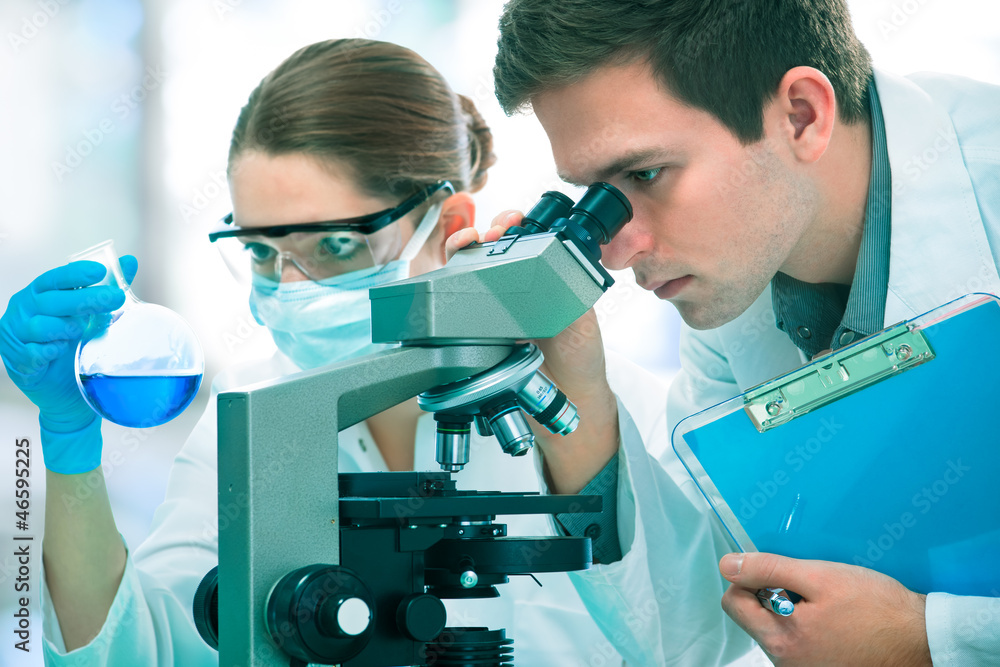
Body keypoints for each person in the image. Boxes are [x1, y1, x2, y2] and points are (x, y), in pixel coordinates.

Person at [0, 39, 668, 665]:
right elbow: (143, 649)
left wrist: (581, 416)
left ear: (451, 223)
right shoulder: (256, 408)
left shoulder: (590, 398)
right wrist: (68, 443)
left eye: (336, 246)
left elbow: (675, 633)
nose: (291, 288)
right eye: (263, 252)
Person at [479, 0, 1000, 665]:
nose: (614, 248)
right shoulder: (740, 288)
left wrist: (930, 638)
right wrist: (571, 388)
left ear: (801, 116)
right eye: (594, 196)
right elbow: (698, 618)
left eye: (643, 175)